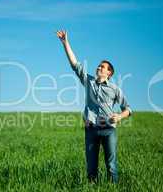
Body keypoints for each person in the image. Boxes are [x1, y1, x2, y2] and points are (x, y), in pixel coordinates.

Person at [56, 30, 132, 184]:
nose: (99, 67)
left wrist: (119, 116)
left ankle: (113, 188)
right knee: (91, 168)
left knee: (111, 166)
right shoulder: (89, 81)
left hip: (109, 129)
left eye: (102, 67)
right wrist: (65, 43)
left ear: (109, 73)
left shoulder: (115, 89)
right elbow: (74, 64)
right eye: (99, 65)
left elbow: (128, 109)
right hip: (91, 129)